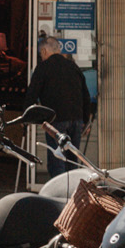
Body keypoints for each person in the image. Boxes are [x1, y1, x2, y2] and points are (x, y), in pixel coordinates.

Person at [25, 34, 91, 178]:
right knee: (72, 161)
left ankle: (57, 196)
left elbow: (31, 94)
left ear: (44, 52)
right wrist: (86, 120)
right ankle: (73, 194)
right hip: (76, 120)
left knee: (57, 161)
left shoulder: (43, 68)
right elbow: (85, 94)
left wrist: (27, 118)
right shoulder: (73, 67)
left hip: (56, 121)